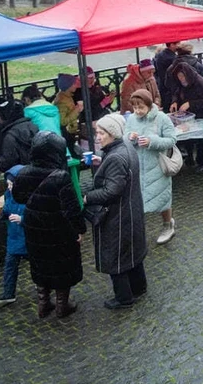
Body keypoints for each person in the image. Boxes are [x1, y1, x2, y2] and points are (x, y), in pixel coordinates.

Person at [13, 131, 86, 319]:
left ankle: (43, 304)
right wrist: (80, 229)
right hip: (59, 229)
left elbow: (18, 197)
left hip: (33, 226)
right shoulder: (60, 176)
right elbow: (71, 208)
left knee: (40, 262)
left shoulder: (23, 172)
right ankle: (62, 305)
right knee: (62, 264)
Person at [86, 114, 148, 309]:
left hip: (118, 216)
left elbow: (111, 190)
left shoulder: (115, 157)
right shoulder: (125, 148)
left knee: (116, 255)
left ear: (112, 134)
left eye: (101, 133)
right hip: (131, 210)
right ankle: (139, 287)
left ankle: (123, 298)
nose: (97, 137)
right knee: (132, 252)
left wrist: (88, 197)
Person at [125, 90, 178, 245]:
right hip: (137, 167)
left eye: (140, 107)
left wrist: (151, 141)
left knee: (162, 197)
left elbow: (171, 140)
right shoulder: (132, 119)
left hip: (157, 166)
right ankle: (138, 230)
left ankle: (168, 225)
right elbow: (124, 137)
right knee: (137, 199)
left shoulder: (161, 118)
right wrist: (130, 138)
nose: (137, 111)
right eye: (134, 108)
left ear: (149, 105)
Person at [0, 164, 28, 307]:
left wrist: (22, 219)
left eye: (12, 184)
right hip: (14, 237)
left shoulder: (32, 195)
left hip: (28, 238)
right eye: (8, 184)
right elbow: (6, 212)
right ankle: (8, 293)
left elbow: (38, 216)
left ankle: (45, 286)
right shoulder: (8, 195)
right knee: (10, 265)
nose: (10, 187)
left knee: (38, 264)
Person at [167, 59, 203, 169]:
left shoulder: (199, 82)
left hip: (201, 115)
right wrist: (175, 101)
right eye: (179, 77)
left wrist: (190, 104)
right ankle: (190, 158)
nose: (181, 79)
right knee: (188, 140)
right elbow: (177, 93)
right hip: (187, 116)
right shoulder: (181, 83)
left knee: (201, 141)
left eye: (182, 76)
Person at [0, 99, 39, 173]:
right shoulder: (34, 126)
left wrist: (0, 165)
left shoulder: (10, 136)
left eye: (0, 116)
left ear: (7, 117)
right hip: (40, 172)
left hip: (23, 176)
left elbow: (9, 161)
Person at [153, 42, 180, 111]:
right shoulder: (172, 58)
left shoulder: (159, 55)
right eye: (178, 43)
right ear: (172, 45)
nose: (179, 45)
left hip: (161, 84)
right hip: (169, 88)